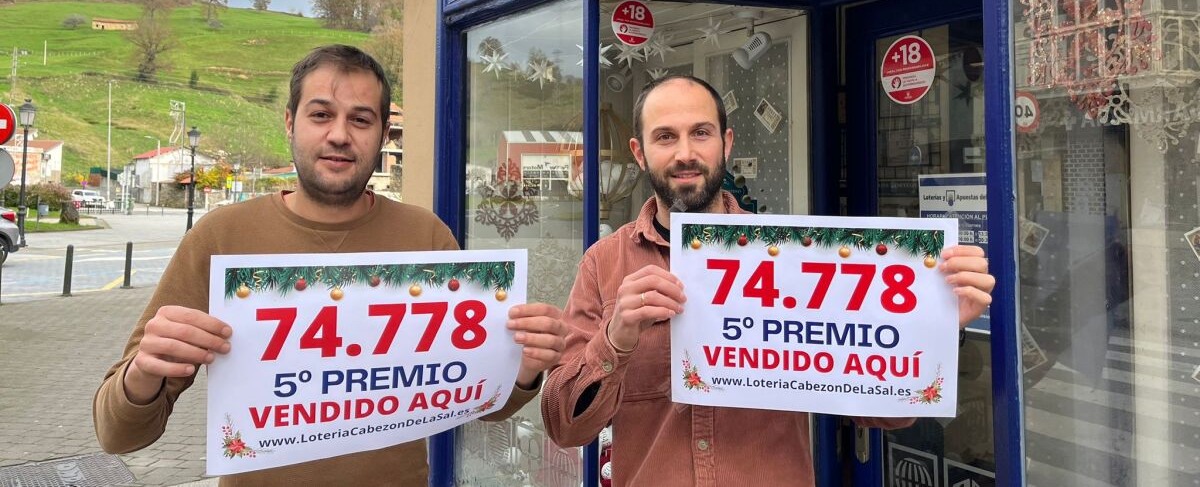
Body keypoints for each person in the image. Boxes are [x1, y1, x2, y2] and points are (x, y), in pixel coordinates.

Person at [95, 45, 568, 486]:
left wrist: (523, 368)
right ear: (290, 122)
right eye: (321, 114)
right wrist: (144, 373)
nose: (339, 135)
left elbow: (483, 403)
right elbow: (119, 436)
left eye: (360, 120)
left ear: (384, 135)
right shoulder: (220, 238)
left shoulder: (426, 238)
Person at [541, 75, 996, 486]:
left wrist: (936, 328)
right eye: (665, 137)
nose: (685, 153)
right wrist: (614, 341)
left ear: (726, 144)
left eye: (701, 133)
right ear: (639, 152)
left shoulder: (794, 260)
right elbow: (564, 427)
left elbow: (883, 414)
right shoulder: (604, 263)